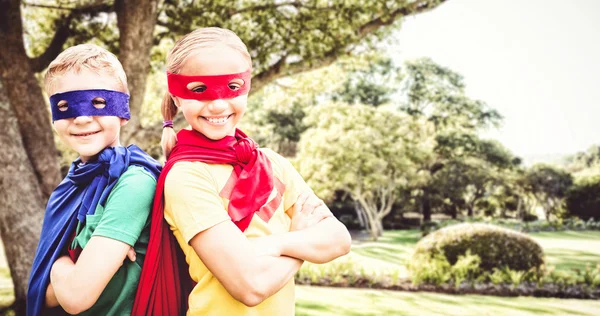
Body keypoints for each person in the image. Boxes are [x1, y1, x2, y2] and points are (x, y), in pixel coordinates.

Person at [133, 27, 352, 316]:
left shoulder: (272, 163)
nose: (219, 104)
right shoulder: (187, 176)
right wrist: (301, 240)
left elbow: (339, 239)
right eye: (199, 90)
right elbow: (250, 285)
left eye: (232, 87)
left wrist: (277, 243)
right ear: (176, 97)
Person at [27, 44, 161, 316]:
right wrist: (69, 270)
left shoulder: (134, 183)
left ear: (123, 111)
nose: (82, 118)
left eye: (98, 102)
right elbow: (45, 296)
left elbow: (76, 296)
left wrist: (58, 263)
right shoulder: (68, 188)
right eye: (65, 106)